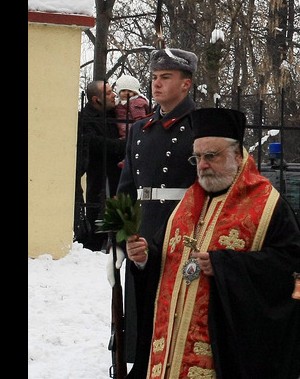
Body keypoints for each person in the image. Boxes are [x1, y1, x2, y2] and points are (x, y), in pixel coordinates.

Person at [125, 107, 300, 378]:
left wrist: (226, 265)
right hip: (169, 355)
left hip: (226, 353)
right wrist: (145, 258)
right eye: (197, 157)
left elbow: (295, 271)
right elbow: (165, 258)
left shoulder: (268, 205)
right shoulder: (186, 205)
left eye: (211, 156)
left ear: (237, 156)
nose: (202, 165)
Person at [116, 48, 200, 379]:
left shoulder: (198, 127)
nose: (157, 84)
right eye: (153, 77)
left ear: (186, 84)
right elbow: (125, 190)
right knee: (141, 310)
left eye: (166, 77)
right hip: (143, 230)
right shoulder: (140, 130)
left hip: (183, 230)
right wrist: (122, 237)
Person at [76, 80, 126, 250]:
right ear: (96, 100)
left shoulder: (117, 113)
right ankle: (95, 244)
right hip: (98, 173)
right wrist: (123, 145)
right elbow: (94, 143)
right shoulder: (86, 118)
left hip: (119, 172)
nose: (114, 95)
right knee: (97, 212)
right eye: (109, 93)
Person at [113, 74, 152, 139]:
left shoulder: (136, 103)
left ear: (135, 92)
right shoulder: (118, 102)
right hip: (121, 131)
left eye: (129, 91)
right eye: (123, 90)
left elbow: (140, 120)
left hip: (133, 132)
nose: (126, 93)